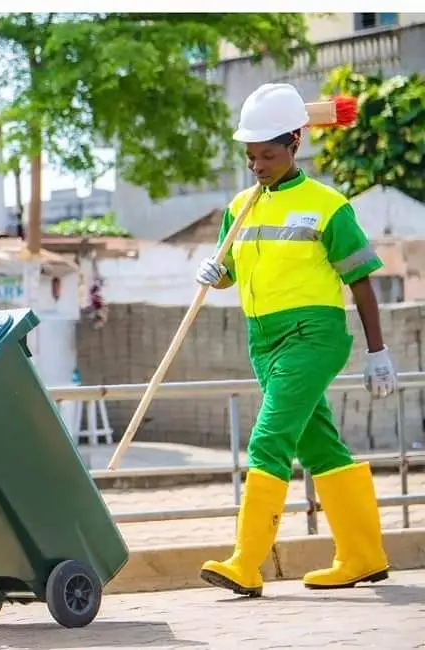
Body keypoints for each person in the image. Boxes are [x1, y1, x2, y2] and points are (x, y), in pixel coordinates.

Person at [195, 83, 399, 598]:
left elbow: (361, 281)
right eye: (250, 157)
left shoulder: (329, 207)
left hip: (315, 336)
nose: (258, 165)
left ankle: (246, 562)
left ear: (294, 145)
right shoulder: (239, 208)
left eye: (268, 154)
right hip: (263, 341)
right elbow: (232, 275)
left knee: (269, 438)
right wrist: (215, 274)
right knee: (318, 444)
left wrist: (378, 352)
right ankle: (361, 555)